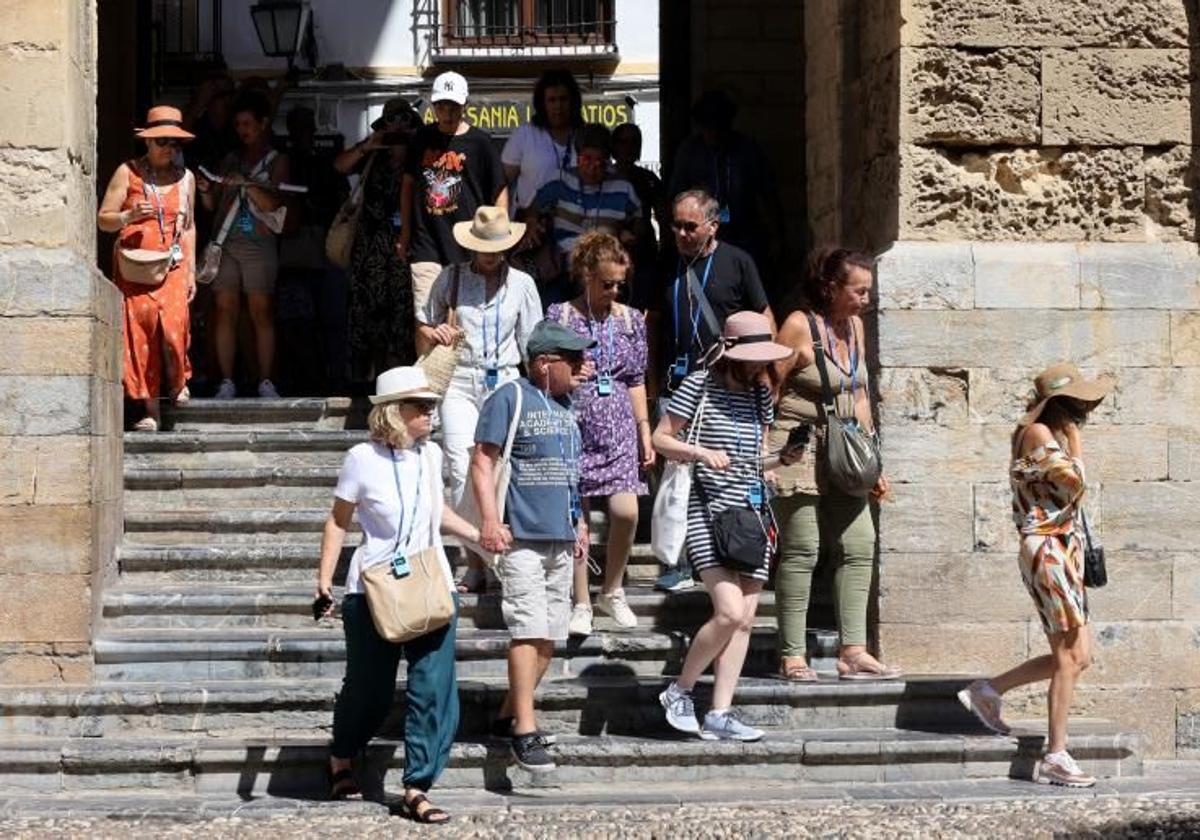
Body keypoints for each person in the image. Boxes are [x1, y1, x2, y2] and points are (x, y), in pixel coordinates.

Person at [315, 365, 482, 822]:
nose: (431, 413)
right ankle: (342, 757)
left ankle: (416, 786)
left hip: (430, 584)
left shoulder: (430, 457)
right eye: (421, 406)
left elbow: (438, 512)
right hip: (373, 589)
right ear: (393, 412)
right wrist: (322, 581)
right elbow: (338, 521)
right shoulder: (360, 459)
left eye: (432, 405)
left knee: (434, 689)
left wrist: (478, 535)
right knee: (368, 690)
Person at [958, 363, 1112, 789]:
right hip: (1047, 549)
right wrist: (1076, 443)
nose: (1085, 408)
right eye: (1079, 401)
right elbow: (1073, 482)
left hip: (1063, 549)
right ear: (1062, 404)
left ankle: (988, 690)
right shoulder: (1039, 435)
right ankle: (1056, 756)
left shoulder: (1047, 436)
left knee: (1079, 656)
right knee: (1067, 656)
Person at [651, 311, 791, 742]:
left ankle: (721, 712)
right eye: (749, 357)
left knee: (745, 619)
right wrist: (698, 452)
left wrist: (781, 462)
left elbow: (760, 453)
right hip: (705, 507)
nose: (756, 365)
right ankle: (680, 689)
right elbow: (660, 439)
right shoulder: (698, 384)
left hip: (750, 512)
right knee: (728, 610)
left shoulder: (759, 394)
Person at [470, 320, 595, 772]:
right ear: (544, 363)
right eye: (573, 359)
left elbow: (571, 471)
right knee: (529, 630)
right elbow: (483, 461)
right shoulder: (511, 396)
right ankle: (526, 728)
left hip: (561, 537)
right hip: (520, 535)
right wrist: (489, 519)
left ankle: (506, 716)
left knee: (550, 637)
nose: (583, 366)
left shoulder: (566, 406)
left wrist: (579, 520)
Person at [769, 248, 899, 682]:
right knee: (803, 548)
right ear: (831, 287)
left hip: (846, 449)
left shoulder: (857, 328)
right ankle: (792, 653)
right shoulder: (797, 326)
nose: (865, 298)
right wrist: (766, 457)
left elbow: (860, 396)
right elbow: (769, 389)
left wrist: (872, 460)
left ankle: (853, 650)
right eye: (858, 290)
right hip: (797, 447)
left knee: (860, 543)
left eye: (867, 291)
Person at [653, 189, 775, 592]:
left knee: (719, 474)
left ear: (713, 224)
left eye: (691, 226)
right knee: (675, 473)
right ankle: (675, 560)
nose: (682, 234)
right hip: (678, 382)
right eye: (676, 226)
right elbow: (651, 320)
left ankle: (723, 556)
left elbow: (764, 318)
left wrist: (766, 375)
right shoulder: (665, 261)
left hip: (722, 385)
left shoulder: (737, 261)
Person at [416, 206, 542, 593]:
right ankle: (473, 556)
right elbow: (425, 319)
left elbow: (532, 340)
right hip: (459, 376)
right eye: (484, 246)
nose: (490, 254)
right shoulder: (450, 277)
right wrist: (435, 332)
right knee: (459, 462)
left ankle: (497, 553)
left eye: (497, 247)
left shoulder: (521, 283)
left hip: (504, 378)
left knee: (500, 468)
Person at [546, 232, 653, 635]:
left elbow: (638, 378)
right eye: (606, 283)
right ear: (586, 275)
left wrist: (644, 429)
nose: (613, 291)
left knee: (627, 511)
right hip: (574, 422)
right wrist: (569, 376)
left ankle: (612, 589)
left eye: (618, 284)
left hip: (621, 425)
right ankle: (581, 601)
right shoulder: (561, 315)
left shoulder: (629, 320)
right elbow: (543, 367)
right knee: (578, 517)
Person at [96, 105, 197, 432]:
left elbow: (191, 226)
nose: (170, 148)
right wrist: (127, 217)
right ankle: (150, 409)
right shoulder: (128, 173)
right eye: (163, 141)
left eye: (176, 143)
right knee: (140, 334)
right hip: (136, 266)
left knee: (172, 327)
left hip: (173, 264)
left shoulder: (186, 179)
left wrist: (192, 270)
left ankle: (177, 380)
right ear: (148, 142)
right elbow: (104, 219)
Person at [197, 90, 290, 400]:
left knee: (261, 311)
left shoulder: (278, 161)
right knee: (225, 311)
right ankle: (227, 380)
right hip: (225, 242)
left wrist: (247, 184)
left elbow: (276, 202)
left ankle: (266, 380)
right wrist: (206, 190)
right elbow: (213, 207)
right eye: (238, 124)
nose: (242, 130)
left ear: (263, 124)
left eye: (248, 124)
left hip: (258, 244)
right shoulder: (230, 159)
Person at [401, 71, 508, 316]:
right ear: (433, 106)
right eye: (441, 106)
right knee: (426, 317)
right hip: (426, 242)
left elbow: (499, 189)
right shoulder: (421, 139)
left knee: (462, 318)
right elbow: (407, 185)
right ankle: (424, 356)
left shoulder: (481, 143)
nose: (447, 113)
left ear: (465, 106)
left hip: (468, 242)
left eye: (453, 106)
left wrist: (497, 237)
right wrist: (405, 233)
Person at [336, 97, 424, 387]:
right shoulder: (374, 155)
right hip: (370, 247)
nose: (397, 127)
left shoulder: (421, 154)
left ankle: (400, 374)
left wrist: (414, 143)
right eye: (392, 121)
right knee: (368, 312)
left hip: (405, 247)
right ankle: (368, 376)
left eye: (403, 121)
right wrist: (369, 145)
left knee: (402, 313)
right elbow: (339, 166)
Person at [667, 90, 783, 287]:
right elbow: (674, 196)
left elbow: (768, 195)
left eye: (719, 125)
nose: (713, 132)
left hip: (744, 233)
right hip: (702, 232)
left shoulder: (747, 150)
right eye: (708, 126)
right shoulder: (689, 152)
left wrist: (778, 237)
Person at [522, 124, 642, 305]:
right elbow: (533, 208)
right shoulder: (559, 180)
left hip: (606, 271)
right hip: (563, 270)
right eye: (587, 159)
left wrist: (632, 234)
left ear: (608, 159)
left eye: (599, 161)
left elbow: (639, 221)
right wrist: (532, 223)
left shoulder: (622, 187)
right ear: (578, 158)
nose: (593, 167)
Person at [277, 105, 350, 395]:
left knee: (330, 320)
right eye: (298, 127)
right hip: (295, 251)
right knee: (297, 323)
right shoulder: (284, 162)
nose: (303, 134)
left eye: (306, 127)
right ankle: (309, 380)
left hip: (324, 247)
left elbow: (343, 198)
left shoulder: (325, 162)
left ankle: (332, 380)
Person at [502, 68, 583, 215]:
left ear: (573, 101)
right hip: (531, 226)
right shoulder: (524, 134)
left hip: (575, 226)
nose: (558, 106)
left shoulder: (585, 135)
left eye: (563, 99)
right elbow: (501, 182)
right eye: (552, 100)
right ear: (542, 104)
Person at [612, 122, 666, 310]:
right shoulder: (603, 177)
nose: (628, 147)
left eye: (634, 142)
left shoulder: (649, 179)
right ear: (614, 146)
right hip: (610, 255)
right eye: (623, 142)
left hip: (643, 255)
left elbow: (663, 217)